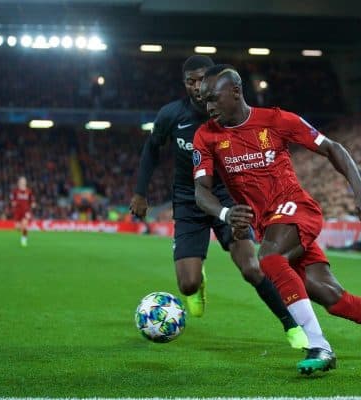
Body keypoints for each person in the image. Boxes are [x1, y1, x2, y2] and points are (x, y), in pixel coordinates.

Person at [193, 65, 361, 375]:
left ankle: (320, 346)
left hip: (297, 209)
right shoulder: (206, 136)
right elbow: (200, 192)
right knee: (335, 299)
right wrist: (226, 213)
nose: (209, 107)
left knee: (268, 258)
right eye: (204, 101)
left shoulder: (277, 120)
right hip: (268, 225)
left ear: (236, 91)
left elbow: (332, 148)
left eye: (214, 99)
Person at [129, 55, 307, 350]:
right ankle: (199, 281)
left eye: (202, 80)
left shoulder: (227, 113)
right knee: (187, 283)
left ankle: (291, 326)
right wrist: (140, 192)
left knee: (251, 267)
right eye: (191, 81)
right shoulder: (172, 115)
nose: (197, 87)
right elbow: (151, 149)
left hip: (227, 195)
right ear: (184, 83)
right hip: (188, 199)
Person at [10, 176, 35, 247]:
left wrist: (33, 204)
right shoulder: (15, 191)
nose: (22, 182)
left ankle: (24, 239)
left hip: (26, 211)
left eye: (24, 181)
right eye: (21, 181)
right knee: (17, 227)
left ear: (26, 182)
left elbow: (32, 201)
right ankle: (24, 233)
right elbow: (12, 200)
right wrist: (13, 203)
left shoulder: (29, 191)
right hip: (17, 212)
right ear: (19, 183)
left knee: (24, 225)